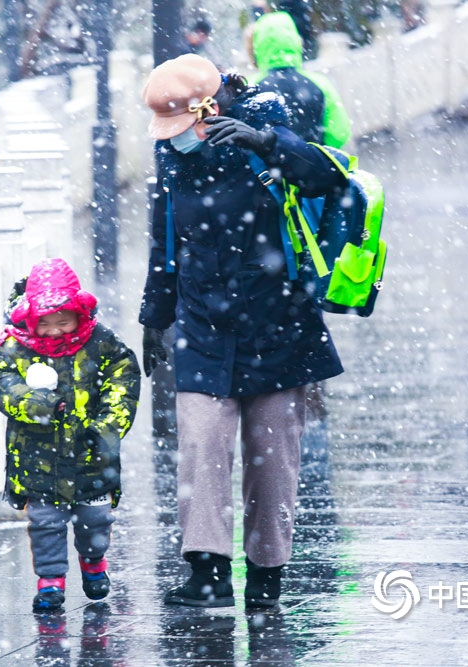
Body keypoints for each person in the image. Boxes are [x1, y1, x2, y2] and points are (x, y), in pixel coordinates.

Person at [139, 53, 347, 608]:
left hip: (279, 321)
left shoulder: (268, 128)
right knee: (201, 447)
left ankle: (266, 577)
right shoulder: (172, 156)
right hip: (203, 323)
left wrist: (264, 142)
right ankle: (206, 576)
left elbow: (330, 174)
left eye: (182, 125)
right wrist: (153, 318)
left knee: (273, 456)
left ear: (210, 107)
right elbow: (164, 241)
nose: (175, 138)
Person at [0, 257, 141, 612]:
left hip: (93, 454)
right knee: (46, 523)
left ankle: (94, 563)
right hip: (38, 458)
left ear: (80, 316)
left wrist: (107, 426)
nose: (54, 331)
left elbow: (123, 378)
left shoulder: (100, 343)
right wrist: (37, 404)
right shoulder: (14, 347)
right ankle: (50, 580)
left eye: (63, 322)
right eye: (45, 324)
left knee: (95, 519)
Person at [250, 11, 351, 148]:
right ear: (296, 41)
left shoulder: (250, 86)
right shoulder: (320, 83)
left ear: (258, 45)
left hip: (267, 167)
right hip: (313, 165)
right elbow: (339, 133)